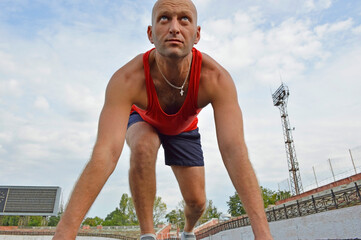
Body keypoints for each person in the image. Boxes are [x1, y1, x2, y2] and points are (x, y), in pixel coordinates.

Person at [53, 0, 273, 239]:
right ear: (150, 33)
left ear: (197, 34)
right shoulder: (127, 79)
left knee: (197, 202)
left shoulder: (215, 79)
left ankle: (188, 231)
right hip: (143, 119)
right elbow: (105, 153)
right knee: (144, 144)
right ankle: (147, 234)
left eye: (184, 19)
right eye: (164, 18)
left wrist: (263, 235)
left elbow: (234, 151)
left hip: (183, 128)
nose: (174, 28)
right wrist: (64, 233)